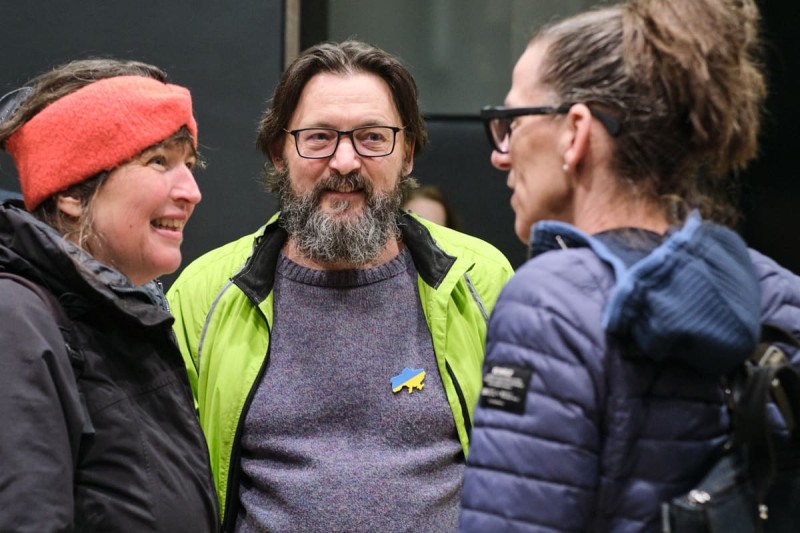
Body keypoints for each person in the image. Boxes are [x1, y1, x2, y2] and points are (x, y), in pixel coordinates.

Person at [459, 0, 800, 531]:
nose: (500, 154)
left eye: (511, 121)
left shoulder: (549, 303)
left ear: (574, 132)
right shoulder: (775, 291)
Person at [167, 40, 514, 531]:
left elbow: (533, 471)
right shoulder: (203, 296)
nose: (345, 162)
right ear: (278, 152)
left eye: (373, 138)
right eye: (319, 137)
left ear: (408, 154)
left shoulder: (483, 281)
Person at [0, 59, 219, 531]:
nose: (191, 191)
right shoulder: (16, 319)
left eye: (189, 163)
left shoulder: (117, 318)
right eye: (158, 161)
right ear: (73, 194)